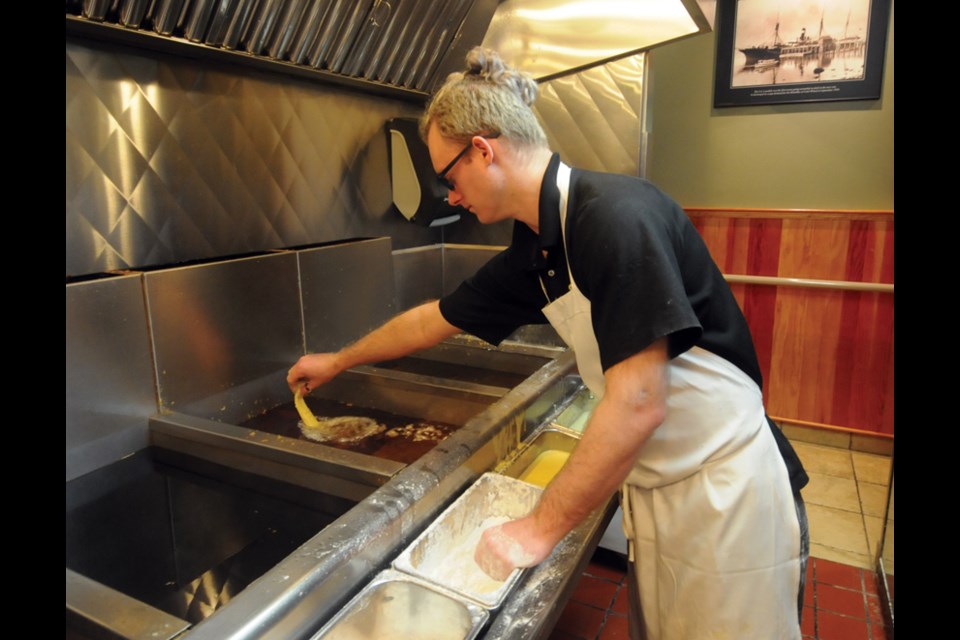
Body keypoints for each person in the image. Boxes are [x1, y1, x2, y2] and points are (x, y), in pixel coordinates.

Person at [288, 47, 809, 640]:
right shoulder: (537, 246)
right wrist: (339, 360)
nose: (451, 196)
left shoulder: (615, 218)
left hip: (725, 492)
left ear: (483, 150)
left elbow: (639, 403)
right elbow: (436, 318)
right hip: (660, 488)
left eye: (448, 177)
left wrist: (534, 530)